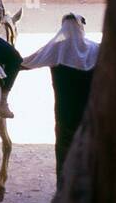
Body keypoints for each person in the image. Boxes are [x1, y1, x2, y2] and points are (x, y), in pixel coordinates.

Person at [21, 13, 99, 184]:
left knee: (64, 150)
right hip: (91, 113)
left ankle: (64, 192)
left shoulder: (56, 49)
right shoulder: (96, 50)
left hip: (65, 114)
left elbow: (27, 63)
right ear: (81, 28)